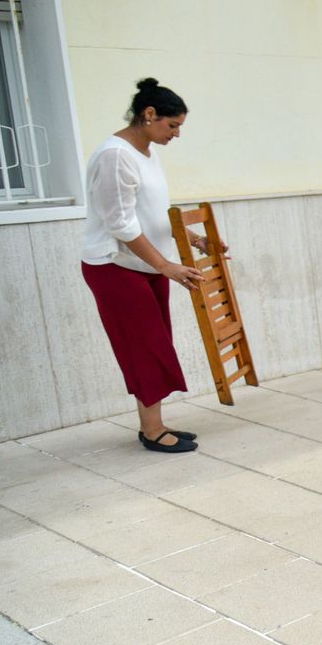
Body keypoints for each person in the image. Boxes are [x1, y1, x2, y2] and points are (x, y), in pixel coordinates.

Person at [81, 78, 219, 455]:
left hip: (147, 266)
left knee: (155, 345)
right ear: (149, 114)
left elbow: (153, 213)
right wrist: (167, 266)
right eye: (172, 125)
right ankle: (153, 431)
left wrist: (195, 240)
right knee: (145, 347)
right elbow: (120, 225)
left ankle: (153, 424)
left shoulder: (146, 152)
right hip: (115, 267)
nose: (176, 134)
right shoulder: (115, 156)